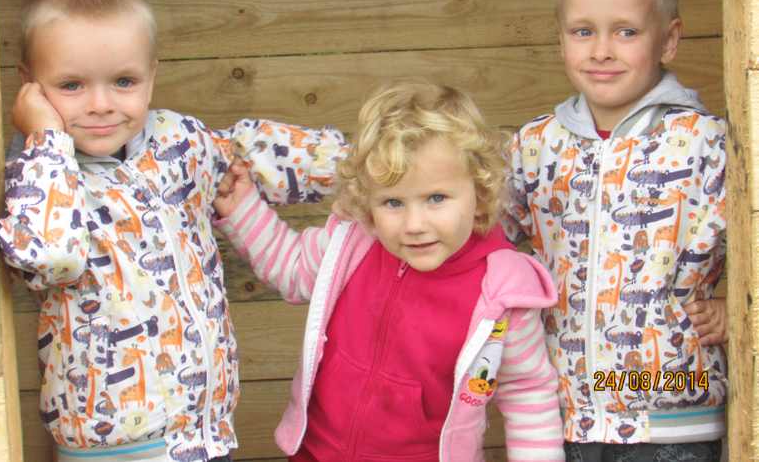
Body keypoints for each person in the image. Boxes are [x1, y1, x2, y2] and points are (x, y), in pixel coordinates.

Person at [0, 0, 347, 462]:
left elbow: (253, 155)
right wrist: (46, 138)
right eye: (71, 85)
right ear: (30, 87)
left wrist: (365, 166)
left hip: (202, 433)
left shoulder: (177, 144)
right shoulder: (39, 177)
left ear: (151, 76)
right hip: (111, 445)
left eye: (123, 81)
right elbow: (52, 257)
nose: (101, 104)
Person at [212, 80, 566, 461]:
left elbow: (528, 394)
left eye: (436, 198)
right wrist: (240, 208)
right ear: (368, 199)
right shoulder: (354, 241)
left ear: (480, 195)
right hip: (317, 452)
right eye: (393, 202)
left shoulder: (503, 291)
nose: (414, 224)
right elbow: (293, 269)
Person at [501, 0, 727, 461]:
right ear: (561, 38)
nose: (601, 50)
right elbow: (487, 246)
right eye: (583, 31)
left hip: (674, 409)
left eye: (626, 31)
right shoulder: (534, 146)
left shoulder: (704, 142)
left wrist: (738, 311)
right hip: (567, 411)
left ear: (668, 40)